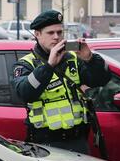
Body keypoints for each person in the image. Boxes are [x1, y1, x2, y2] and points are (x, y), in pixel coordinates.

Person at [13, 10, 111, 153]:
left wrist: (90, 59)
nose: (56, 37)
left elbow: (101, 79)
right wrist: (48, 66)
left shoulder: (73, 59)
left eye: (60, 32)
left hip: (78, 142)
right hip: (45, 145)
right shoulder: (25, 64)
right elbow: (25, 93)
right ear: (37, 34)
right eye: (50, 33)